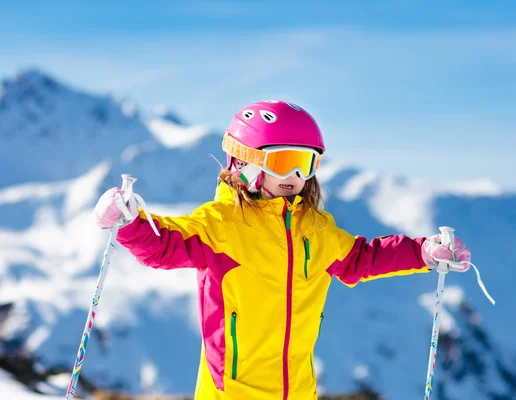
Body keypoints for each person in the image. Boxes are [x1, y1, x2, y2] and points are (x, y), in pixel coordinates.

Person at [93, 100, 471, 400]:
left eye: (306, 163)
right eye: (284, 161)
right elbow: (163, 246)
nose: (295, 177)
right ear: (244, 162)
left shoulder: (316, 229)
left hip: (299, 393)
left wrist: (423, 252)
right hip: (231, 395)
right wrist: (129, 222)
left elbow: (361, 258)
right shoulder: (222, 225)